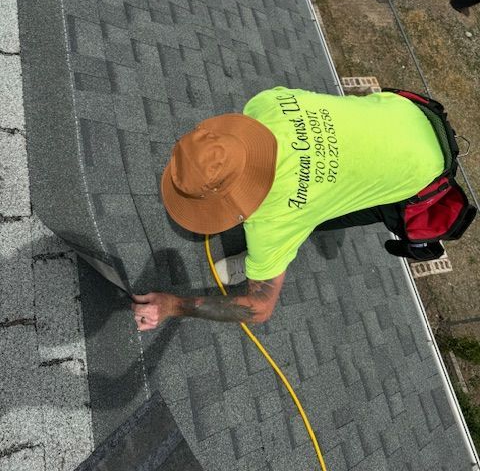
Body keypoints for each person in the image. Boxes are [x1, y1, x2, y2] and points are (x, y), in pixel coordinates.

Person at [131, 87, 444, 331]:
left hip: (423, 169)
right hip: (403, 111)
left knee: (325, 210)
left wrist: (175, 306)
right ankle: (266, 259)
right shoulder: (264, 106)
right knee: (315, 201)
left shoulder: (273, 220)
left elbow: (260, 308)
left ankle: (263, 263)